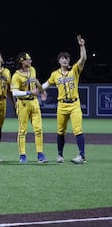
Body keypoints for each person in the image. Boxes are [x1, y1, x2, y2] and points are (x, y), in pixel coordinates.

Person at [41, 34, 88, 164]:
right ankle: (60, 155)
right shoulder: (55, 74)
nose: (65, 60)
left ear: (69, 60)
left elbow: (83, 59)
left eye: (66, 58)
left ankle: (82, 156)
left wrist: (82, 46)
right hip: (61, 105)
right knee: (61, 131)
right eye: (62, 58)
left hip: (74, 104)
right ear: (59, 61)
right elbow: (46, 84)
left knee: (78, 129)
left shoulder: (74, 70)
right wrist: (40, 90)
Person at [10, 52, 46, 164]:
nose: (30, 61)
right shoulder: (16, 76)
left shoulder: (32, 70)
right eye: (28, 59)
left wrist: (42, 90)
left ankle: (40, 154)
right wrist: (30, 91)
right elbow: (14, 93)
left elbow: (35, 81)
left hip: (34, 102)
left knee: (38, 129)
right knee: (22, 130)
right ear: (22, 61)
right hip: (23, 103)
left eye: (30, 59)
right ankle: (22, 155)